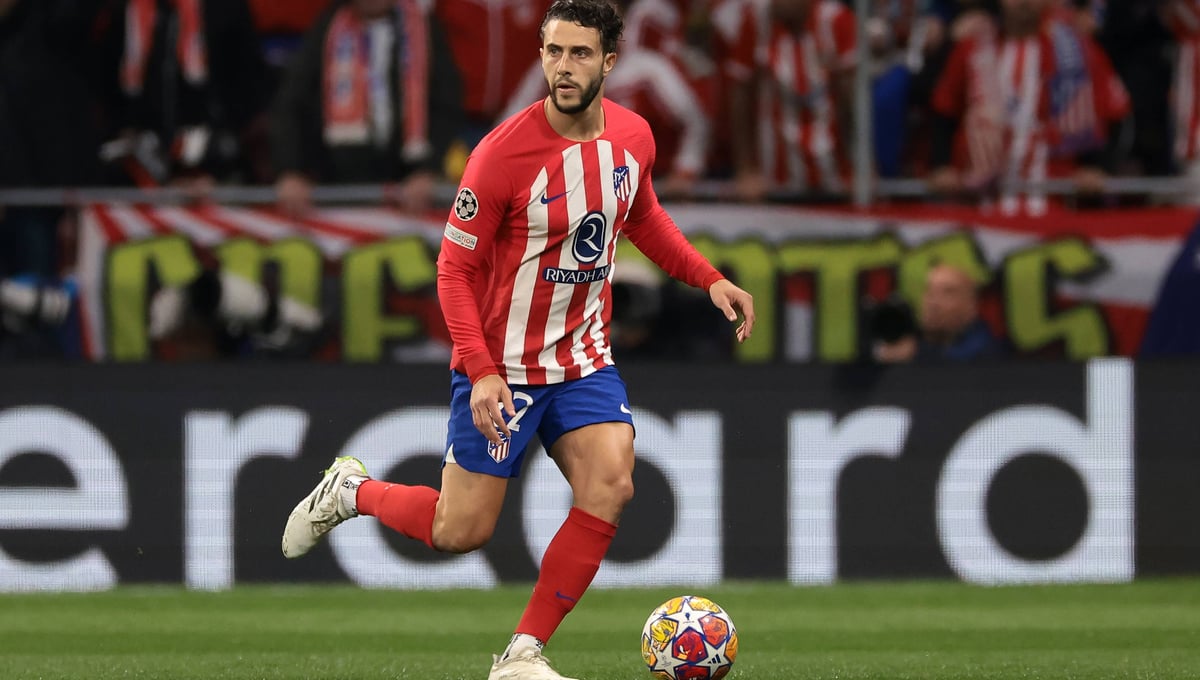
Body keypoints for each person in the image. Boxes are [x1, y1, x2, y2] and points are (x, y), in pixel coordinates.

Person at [280, 1, 755, 679]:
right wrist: (480, 370)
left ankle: (522, 653)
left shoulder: (634, 137)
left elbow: (642, 216)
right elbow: (453, 271)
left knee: (612, 482)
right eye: (554, 51)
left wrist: (708, 278)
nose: (564, 67)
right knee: (460, 531)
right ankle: (351, 492)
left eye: (580, 53)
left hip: (583, 359)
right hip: (503, 366)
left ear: (609, 62)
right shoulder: (500, 155)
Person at [269, 0, 463, 215]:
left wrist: (428, 170)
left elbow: (446, 104)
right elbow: (291, 104)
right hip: (335, 184)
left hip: (408, 187)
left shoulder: (423, 28)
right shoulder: (329, 27)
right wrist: (290, 171)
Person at [873, 262, 1004, 362]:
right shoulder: (908, 334)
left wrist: (916, 353)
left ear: (972, 305)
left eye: (948, 292)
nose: (933, 303)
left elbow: (961, 363)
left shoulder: (989, 349)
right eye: (929, 291)